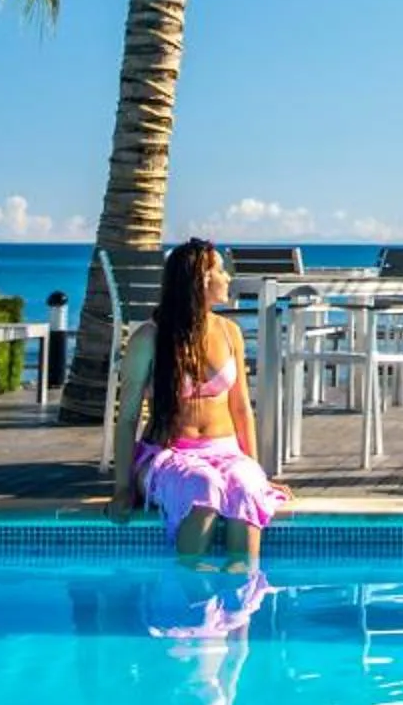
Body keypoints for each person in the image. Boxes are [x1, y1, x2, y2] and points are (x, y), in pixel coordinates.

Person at [111, 237, 291, 565]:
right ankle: (189, 606)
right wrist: (123, 486)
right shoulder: (149, 339)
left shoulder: (229, 332)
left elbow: (240, 409)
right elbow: (127, 419)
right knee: (202, 488)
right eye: (221, 271)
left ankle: (239, 606)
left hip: (226, 452)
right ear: (201, 280)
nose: (228, 278)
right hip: (170, 453)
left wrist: (256, 469)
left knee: (248, 489)